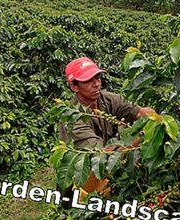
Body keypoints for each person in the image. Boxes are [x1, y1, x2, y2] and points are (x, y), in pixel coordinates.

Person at [58, 57, 155, 208]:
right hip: (82, 178)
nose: (96, 83)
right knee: (78, 208)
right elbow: (102, 155)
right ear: (74, 86)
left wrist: (156, 119)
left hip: (104, 173)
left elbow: (139, 112)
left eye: (97, 77)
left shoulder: (108, 99)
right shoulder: (71, 119)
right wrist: (142, 138)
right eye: (88, 80)